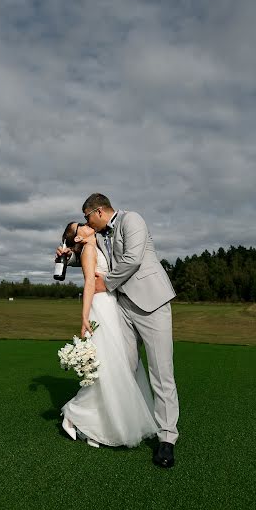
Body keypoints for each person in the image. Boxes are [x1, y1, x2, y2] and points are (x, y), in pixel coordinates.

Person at [57, 194, 179, 468]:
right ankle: (118, 423)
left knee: (161, 373)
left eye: (87, 218)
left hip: (152, 305)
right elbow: (93, 255)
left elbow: (133, 259)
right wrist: (69, 255)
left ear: (98, 211)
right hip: (122, 308)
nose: (86, 223)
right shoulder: (99, 235)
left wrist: (105, 285)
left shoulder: (131, 219)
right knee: (122, 368)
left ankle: (167, 439)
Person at [60, 220, 158, 449]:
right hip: (101, 307)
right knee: (107, 367)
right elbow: (89, 285)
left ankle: (101, 424)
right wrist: (84, 317)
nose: (86, 223)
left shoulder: (97, 244)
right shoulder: (89, 249)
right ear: (78, 237)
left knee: (117, 366)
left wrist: (67, 255)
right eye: (81, 225)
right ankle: (75, 415)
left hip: (112, 305)